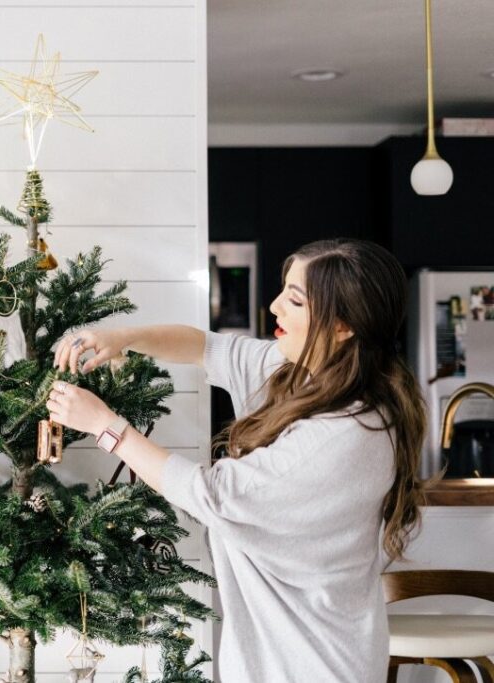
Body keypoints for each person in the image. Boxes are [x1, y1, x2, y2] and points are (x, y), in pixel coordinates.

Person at [46, 239, 426, 682]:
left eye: (295, 299)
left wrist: (107, 427)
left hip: (313, 664)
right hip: (273, 657)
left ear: (343, 325)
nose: (275, 306)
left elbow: (211, 496)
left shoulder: (344, 434)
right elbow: (206, 348)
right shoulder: (299, 372)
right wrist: (125, 337)